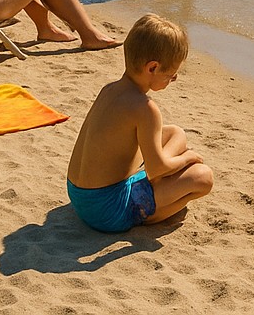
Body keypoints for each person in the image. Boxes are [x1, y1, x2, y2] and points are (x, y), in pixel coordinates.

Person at [65, 14, 214, 232]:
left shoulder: (109, 90)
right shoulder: (145, 108)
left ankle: (155, 184)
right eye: (171, 75)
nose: (174, 79)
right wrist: (187, 158)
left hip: (79, 194)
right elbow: (156, 171)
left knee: (176, 133)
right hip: (106, 210)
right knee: (203, 177)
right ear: (152, 67)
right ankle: (147, 217)